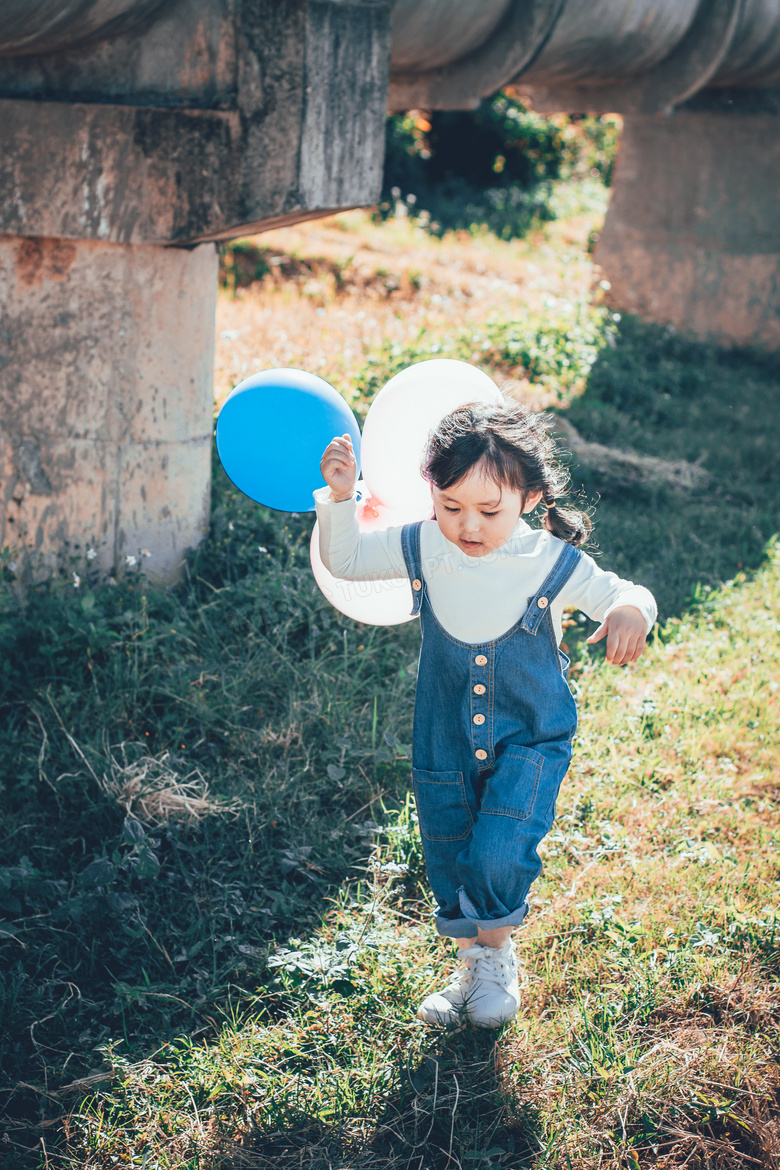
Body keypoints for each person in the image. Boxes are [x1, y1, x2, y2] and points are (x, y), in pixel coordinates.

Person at [316, 402, 656, 1028]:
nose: (468, 525)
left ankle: (497, 958)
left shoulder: (552, 561)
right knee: (448, 850)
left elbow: (619, 592)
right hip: (443, 739)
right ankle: (473, 963)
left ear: (528, 498)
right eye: (451, 507)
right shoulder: (425, 544)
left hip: (531, 738)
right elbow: (349, 562)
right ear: (433, 496)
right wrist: (340, 499)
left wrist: (633, 610)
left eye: (488, 511)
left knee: (499, 850)